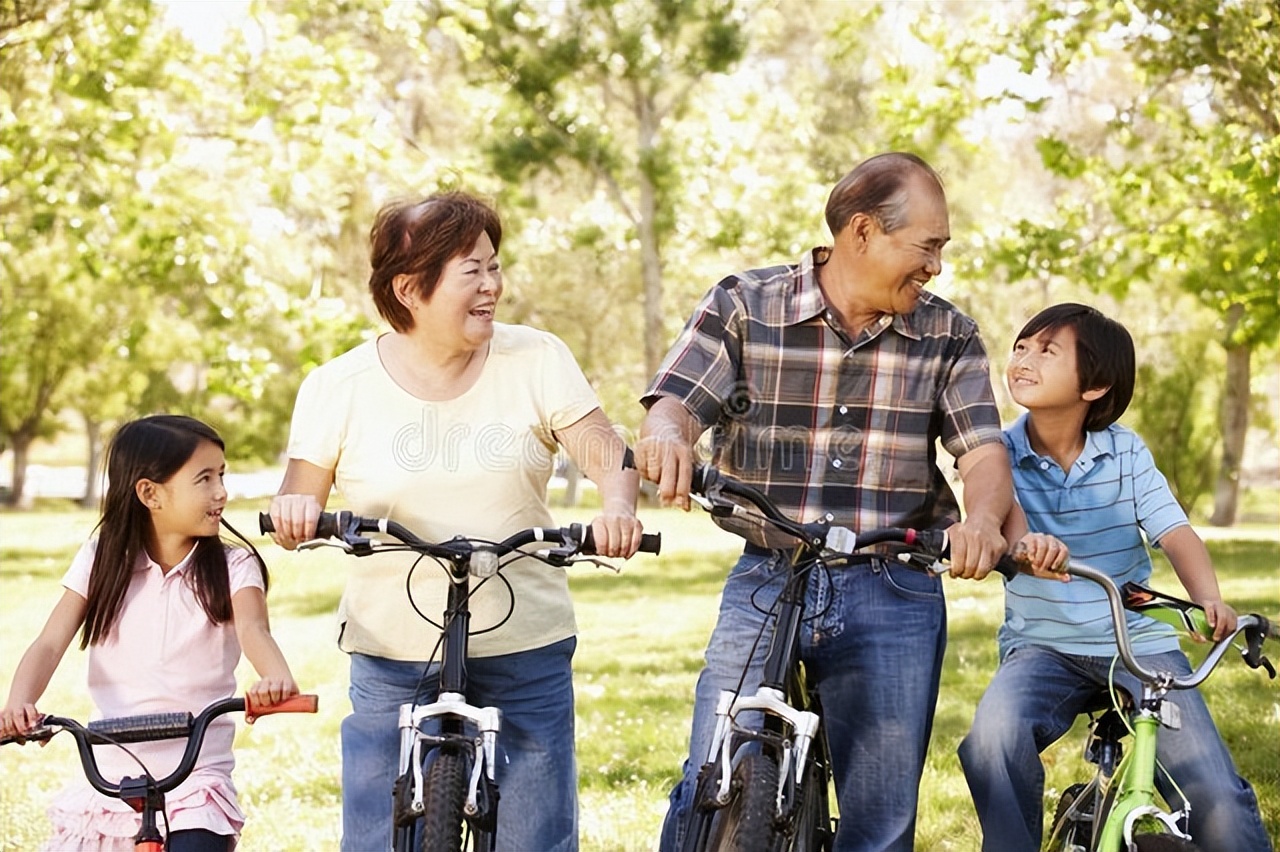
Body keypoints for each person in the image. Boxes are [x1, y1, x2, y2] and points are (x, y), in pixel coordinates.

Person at [638, 152, 1015, 852]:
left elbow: (983, 452)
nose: (935, 266)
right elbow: (676, 403)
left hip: (892, 585)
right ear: (863, 232)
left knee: (879, 819)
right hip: (768, 571)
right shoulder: (745, 304)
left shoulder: (949, 333)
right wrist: (668, 436)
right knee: (710, 783)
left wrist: (985, 521)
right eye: (927, 247)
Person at [266, 190, 645, 852]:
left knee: (535, 839)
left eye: (493, 266)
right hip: (392, 648)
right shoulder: (339, 385)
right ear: (410, 288)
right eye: (472, 270)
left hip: (522, 639)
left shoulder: (536, 358)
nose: (492, 286)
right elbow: (296, 495)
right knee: (377, 839)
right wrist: (297, 513)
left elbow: (609, 457)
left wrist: (618, 508)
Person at [958, 303, 1272, 852]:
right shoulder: (999, 451)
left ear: (1096, 385)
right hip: (1042, 647)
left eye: (1047, 351)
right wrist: (1030, 544)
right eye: (1022, 347)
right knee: (991, 740)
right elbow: (1011, 523)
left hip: (1138, 645)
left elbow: (1176, 533)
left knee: (1215, 797)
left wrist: (1209, 601)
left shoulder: (1124, 453)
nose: (1023, 360)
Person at [0, 415, 300, 852]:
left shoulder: (234, 567)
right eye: (204, 478)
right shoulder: (103, 559)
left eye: (222, 475)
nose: (221, 491)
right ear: (149, 493)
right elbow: (50, 641)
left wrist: (276, 677)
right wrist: (19, 702)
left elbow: (255, 630)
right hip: (112, 774)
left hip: (195, 778)